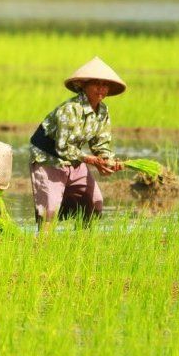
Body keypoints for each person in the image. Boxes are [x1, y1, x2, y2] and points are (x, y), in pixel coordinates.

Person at [29, 56, 126, 231]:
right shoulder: (70, 109)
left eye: (105, 85)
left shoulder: (103, 110)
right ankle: (41, 249)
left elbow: (101, 144)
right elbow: (63, 147)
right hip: (48, 159)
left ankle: (80, 244)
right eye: (96, 83)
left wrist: (108, 161)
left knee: (94, 203)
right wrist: (93, 161)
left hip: (74, 159)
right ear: (83, 85)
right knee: (49, 212)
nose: (101, 89)